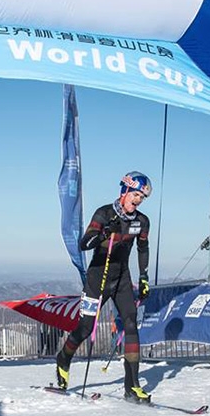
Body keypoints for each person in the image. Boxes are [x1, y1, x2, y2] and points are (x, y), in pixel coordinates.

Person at [55, 171, 153, 403]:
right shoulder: (104, 213)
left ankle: (132, 386)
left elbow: (143, 248)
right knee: (85, 328)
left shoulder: (142, 221)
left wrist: (144, 277)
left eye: (142, 197)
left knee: (131, 324)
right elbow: (84, 243)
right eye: (136, 195)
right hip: (97, 279)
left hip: (122, 280)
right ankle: (63, 358)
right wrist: (102, 235)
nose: (137, 200)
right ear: (125, 191)